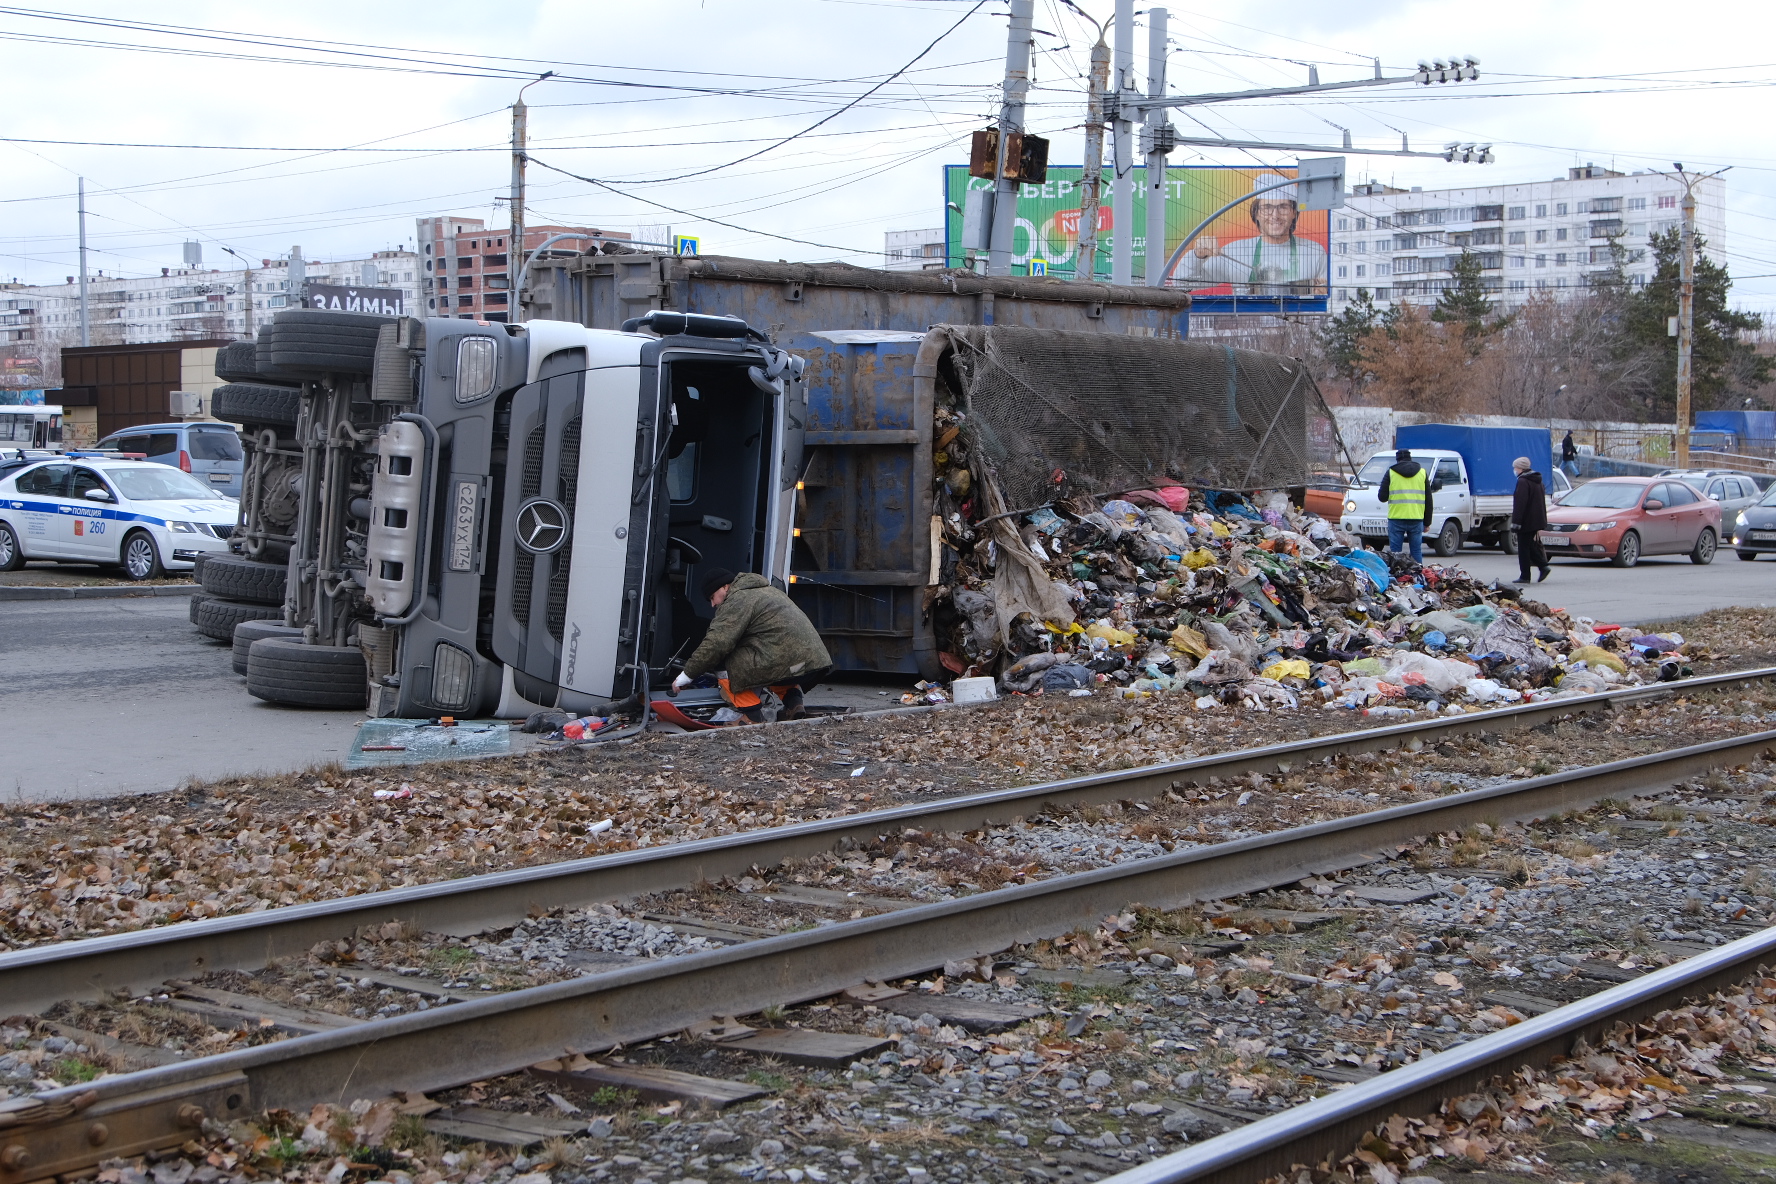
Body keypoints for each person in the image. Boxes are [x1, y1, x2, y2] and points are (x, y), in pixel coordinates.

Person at [671, 567, 832, 724]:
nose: (713, 604)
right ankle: (793, 704)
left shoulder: (736, 599)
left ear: (725, 587)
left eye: (712, 597)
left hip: (785, 663)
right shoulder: (768, 591)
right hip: (809, 663)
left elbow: (717, 644)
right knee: (774, 663)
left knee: (723, 661)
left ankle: (752, 715)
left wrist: (687, 676)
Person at [1181, 174, 1328, 295]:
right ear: (1256, 213)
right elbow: (1181, 285)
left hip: (1299, 327)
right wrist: (1197, 256)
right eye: (1267, 208)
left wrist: (1323, 292)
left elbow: (1334, 297)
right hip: (1246, 328)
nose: (1275, 215)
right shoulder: (1235, 251)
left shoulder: (1314, 251)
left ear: (1294, 213)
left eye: (1283, 207)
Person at [1377, 448, 1432, 564]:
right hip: (1416, 518)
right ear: (1410, 458)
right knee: (1416, 551)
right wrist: (1427, 522)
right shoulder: (1422, 472)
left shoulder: (1391, 472)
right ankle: (1418, 576)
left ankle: (1398, 578)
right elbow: (1429, 500)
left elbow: (1382, 497)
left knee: (1396, 553)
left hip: (1396, 518)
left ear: (1397, 460)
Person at [1511, 456, 1552, 584]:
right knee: (1530, 546)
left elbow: (1520, 503)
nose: (1514, 470)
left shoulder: (1523, 481)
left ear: (1520, 468)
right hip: (1536, 519)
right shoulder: (1537, 480)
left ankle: (1525, 575)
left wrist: (1516, 522)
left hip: (1526, 521)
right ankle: (1543, 566)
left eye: (1515, 467)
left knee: (1523, 548)